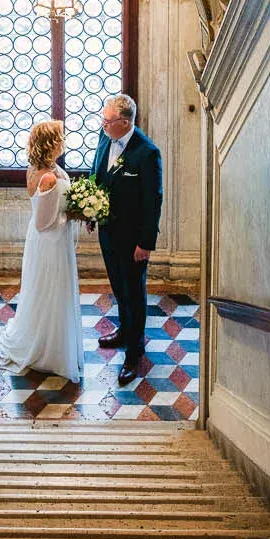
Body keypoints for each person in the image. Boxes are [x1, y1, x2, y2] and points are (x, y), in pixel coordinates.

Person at [0, 119, 84, 382]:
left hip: (49, 240)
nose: (64, 141)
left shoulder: (39, 168)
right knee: (50, 290)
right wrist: (77, 213)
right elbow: (44, 223)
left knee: (48, 289)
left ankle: (52, 340)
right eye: (61, 137)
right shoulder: (47, 177)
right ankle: (48, 349)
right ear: (52, 143)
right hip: (50, 243)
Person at [89, 93, 162, 385]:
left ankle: (134, 352)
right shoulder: (105, 136)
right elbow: (97, 172)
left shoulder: (147, 153)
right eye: (103, 119)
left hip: (133, 240)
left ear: (125, 122)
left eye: (108, 121)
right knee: (119, 288)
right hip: (107, 231)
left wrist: (145, 243)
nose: (102, 124)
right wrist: (89, 210)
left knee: (134, 293)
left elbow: (153, 201)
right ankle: (124, 331)